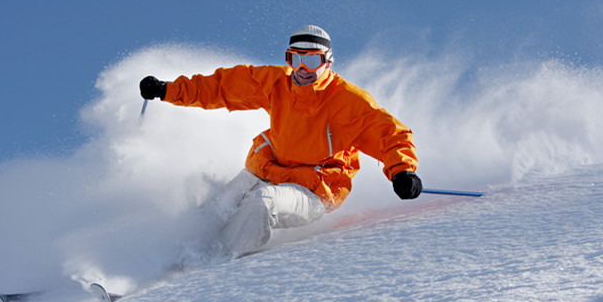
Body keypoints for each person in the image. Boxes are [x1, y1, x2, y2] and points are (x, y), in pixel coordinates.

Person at [140, 25, 422, 257]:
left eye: (312, 60)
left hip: (315, 187)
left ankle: (213, 263)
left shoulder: (347, 101)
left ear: (328, 61)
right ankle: (162, 262)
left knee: (261, 203)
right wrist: (168, 90)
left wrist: (402, 172)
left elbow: (389, 133)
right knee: (217, 207)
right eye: (295, 59)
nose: (303, 68)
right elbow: (223, 87)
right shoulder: (277, 83)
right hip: (267, 169)